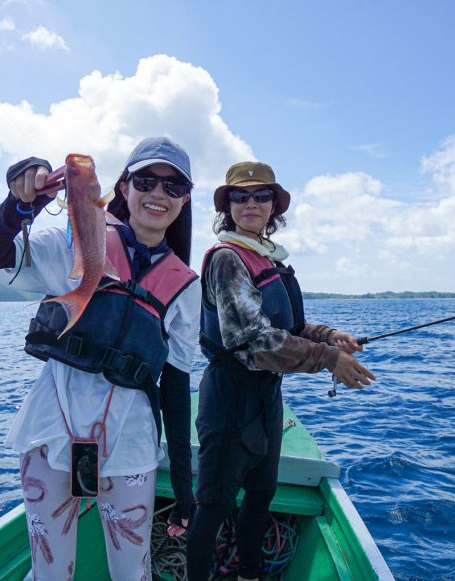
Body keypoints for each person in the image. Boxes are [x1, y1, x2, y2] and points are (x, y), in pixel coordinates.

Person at [0, 137, 200, 581]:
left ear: (184, 200)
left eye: (173, 187)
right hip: (51, 433)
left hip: (130, 444)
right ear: (122, 187)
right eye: (146, 181)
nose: (158, 194)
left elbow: (175, 385)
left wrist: (183, 487)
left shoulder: (186, 284)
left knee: (132, 573)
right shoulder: (75, 238)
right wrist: (21, 204)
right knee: (51, 571)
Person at [185, 161, 376, 580]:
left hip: (267, 397)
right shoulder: (227, 259)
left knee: (260, 496)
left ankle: (250, 575)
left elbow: (289, 328)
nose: (251, 203)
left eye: (261, 196)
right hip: (229, 398)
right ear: (227, 207)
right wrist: (328, 359)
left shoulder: (269, 259)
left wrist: (330, 337)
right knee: (214, 505)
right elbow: (255, 340)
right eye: (240, 196)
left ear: (274, 205)